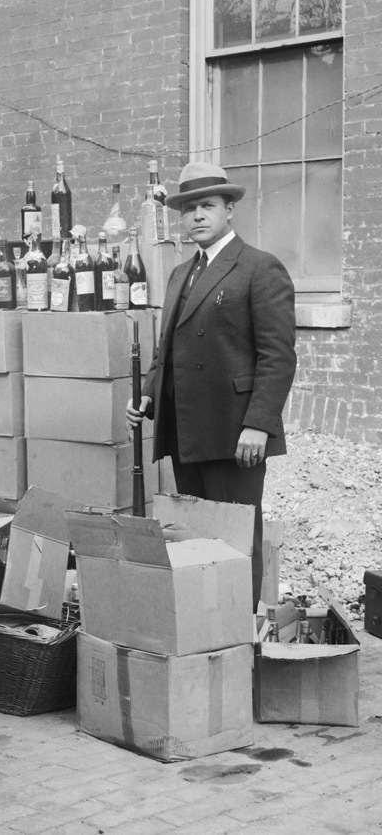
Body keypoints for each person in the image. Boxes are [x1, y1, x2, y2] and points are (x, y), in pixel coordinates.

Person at [126, 162, 296, 608]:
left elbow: (278, 356)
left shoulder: (259, 268)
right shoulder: (182, 273)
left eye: (207, 205)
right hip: (187, 431)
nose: (197, 215)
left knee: (236, 540)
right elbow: (168, 348)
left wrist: (259, 423)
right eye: (189, 208)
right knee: (198, 537)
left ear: (229, 210)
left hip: (234, 433)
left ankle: (240, 635)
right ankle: (205, 627)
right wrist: (147, 392)